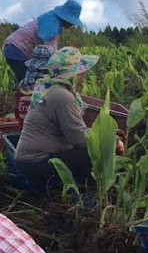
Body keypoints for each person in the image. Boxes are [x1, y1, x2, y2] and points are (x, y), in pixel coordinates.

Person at [14, 46, 98, 186]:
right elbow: (78, 139)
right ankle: (82, 194)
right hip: (36, 163)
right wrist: (109, 139)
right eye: (82, 71)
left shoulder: (48, 88)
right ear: (73, 74)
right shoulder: (63, 96)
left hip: (27, 162)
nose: (85, 74)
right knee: (93, 152)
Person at [2, 0, 83, 84]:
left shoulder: (51, 17)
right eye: (71, 22)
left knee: (26, 77)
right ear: (66, 19)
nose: (72, 25)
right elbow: (50, 52)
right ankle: (25, 95)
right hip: (16, 49)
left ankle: (23, 93)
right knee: (28, 80)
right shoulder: (52, 25)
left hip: (12, 47)